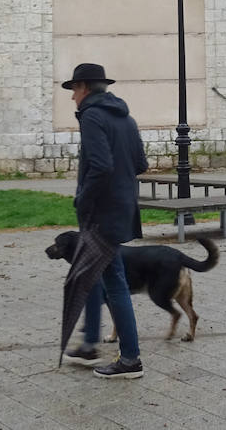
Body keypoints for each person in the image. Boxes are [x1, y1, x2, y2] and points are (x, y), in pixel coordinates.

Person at [60, 62, 150, 378]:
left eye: (73, 90)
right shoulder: (126, 118)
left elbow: (100, 165)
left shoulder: (92, 117)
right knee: (95, 275)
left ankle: (130, 359)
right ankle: (88, 344)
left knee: (114, 283)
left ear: (83, 88)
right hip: (122, 208)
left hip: (101, 214)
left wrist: (82, 199)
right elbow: (140, 163)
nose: (72, 98)